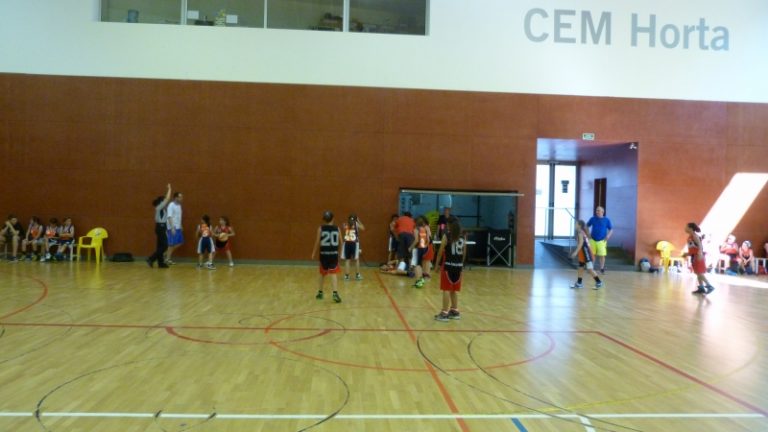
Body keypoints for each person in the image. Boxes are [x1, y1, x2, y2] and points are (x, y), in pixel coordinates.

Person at [434, 216, 465, 321]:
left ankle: (444, 313)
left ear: (449, 225)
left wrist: (437, 265)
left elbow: (440, 252)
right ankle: (455, 311)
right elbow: (464, 253)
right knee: (454, 290)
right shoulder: (462, 237)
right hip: (458, 267)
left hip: (448, 266)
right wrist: (460, 264)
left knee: (446, 289)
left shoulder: (447, 236)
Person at [310, 211, 342, 303]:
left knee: (322, 274)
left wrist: (313, 253)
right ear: (333, 218)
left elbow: (317, 242)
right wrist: (340, 253)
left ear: (324, 219)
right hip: (333, 254)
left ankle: (320, 292)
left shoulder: (321, 228)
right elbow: (341, 242)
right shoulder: (337, 228)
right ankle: (335, 293)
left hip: (324, 254)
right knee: (333, 273)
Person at [570, 220, 604, 289]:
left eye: (576, 224)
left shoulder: (580, 232)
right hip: (583, 252)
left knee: (590, 269)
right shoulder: (581, 232)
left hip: (586, 252)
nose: (575, 225)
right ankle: (579, 283)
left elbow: (581, 243)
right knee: (581, 267)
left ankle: (599, 282)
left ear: (579, 225)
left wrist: (575, 252)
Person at [684, 222, 715, 294]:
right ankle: (701, 288)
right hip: (694, 256)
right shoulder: (690, 236)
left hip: (697, 256)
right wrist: (687, 253)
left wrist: (699, 254)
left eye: (686, 227)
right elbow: (693, 247)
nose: (685, 228)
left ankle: (709, 286)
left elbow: (700, 246)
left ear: (690, 228)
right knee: (697, 273)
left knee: (700, 273)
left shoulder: (695, 236)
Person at [147, 184, 172, 268]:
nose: (166, 203)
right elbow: (167, 198)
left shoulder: (162, 209)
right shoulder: (159, 207)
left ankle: (160, 263)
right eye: (164, 201)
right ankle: (151, 258)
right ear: (161, 202)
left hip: (162, 227)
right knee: (165, 246)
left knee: (160, 246)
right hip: (160, 227)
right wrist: (169, 188)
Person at [586, 206, 613, 274]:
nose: (597, 212)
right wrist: (588, 234)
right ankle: (591, 268)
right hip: (592, 240)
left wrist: (608, 236)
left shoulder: (606, 220)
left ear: (602, 212)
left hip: (602, 241)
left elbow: (611, 229)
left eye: (598, 210)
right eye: (596, 210)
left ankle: (601, 269)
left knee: (602, 255)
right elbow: (586, 226)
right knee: (592, 255)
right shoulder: (592, 219)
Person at [410, 216, 434, 288]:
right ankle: (422, 280)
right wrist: (425, 246)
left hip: (419, 248)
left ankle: (419, 281)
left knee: (417, 265)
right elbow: (429, 239)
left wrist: (410, 247)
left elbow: (417, 240)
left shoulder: (417, 229)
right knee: (423, 264)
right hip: (425, 248)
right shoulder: (425, 228)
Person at [341, 213, 365, 281]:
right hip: (354, 243)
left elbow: (344, 227)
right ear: (355, 219)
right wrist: (358, 221)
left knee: (347, 260)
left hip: (347, 243)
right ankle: (357, 275)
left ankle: (346, 276)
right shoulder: (356, 224)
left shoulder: (345, 224)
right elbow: (363, 228)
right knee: (356, 260)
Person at [165, 192, 184, 265]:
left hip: (178, 227)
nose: (181, 198)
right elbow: (169, 216)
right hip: (172, 227)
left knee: (180, 242)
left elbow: (178, 216)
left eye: (181, 197)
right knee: (171, 244)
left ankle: (166, 254)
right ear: (176, 198)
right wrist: (172, 227)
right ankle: (167, 259)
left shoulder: (179, 206)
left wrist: (181, 225)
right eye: (180, 197)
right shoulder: (171, 205)